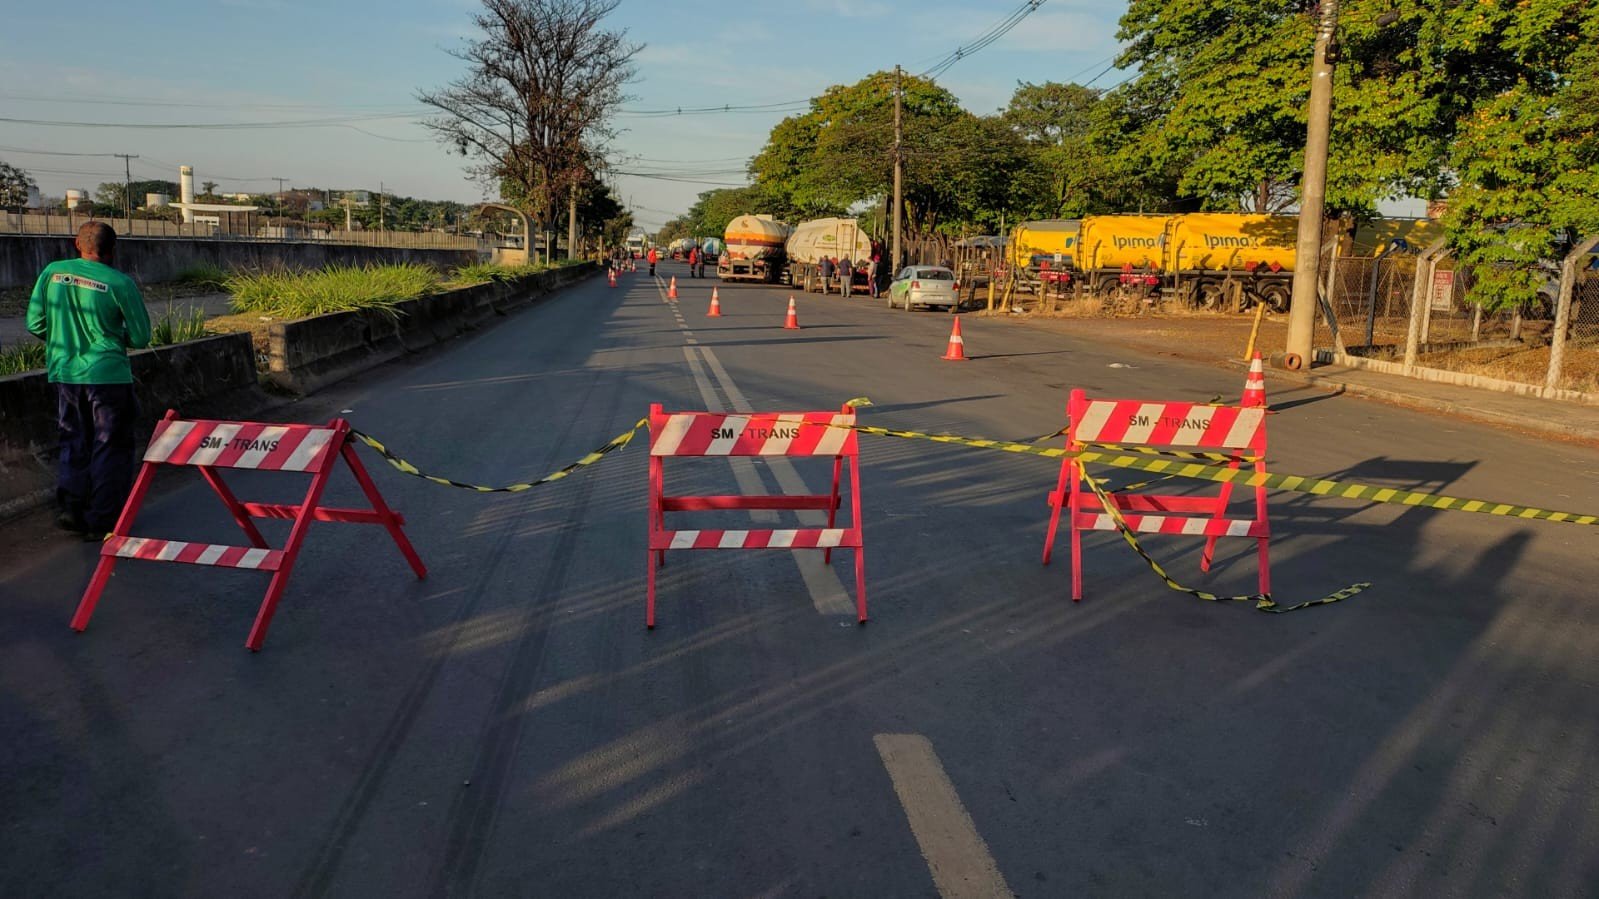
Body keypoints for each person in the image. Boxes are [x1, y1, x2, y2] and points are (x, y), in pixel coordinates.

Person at [26, 221, 151, 538]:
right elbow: (140, 337)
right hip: (107, 376)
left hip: (65, 373)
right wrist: (111, 334)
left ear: (76, 244)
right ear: (112, 250)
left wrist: (62, 339)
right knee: (110, 445)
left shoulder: (52, 273)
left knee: (73, 439)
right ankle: (102, 519)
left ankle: (71, 508)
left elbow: (35, 323)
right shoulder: (119, 283)